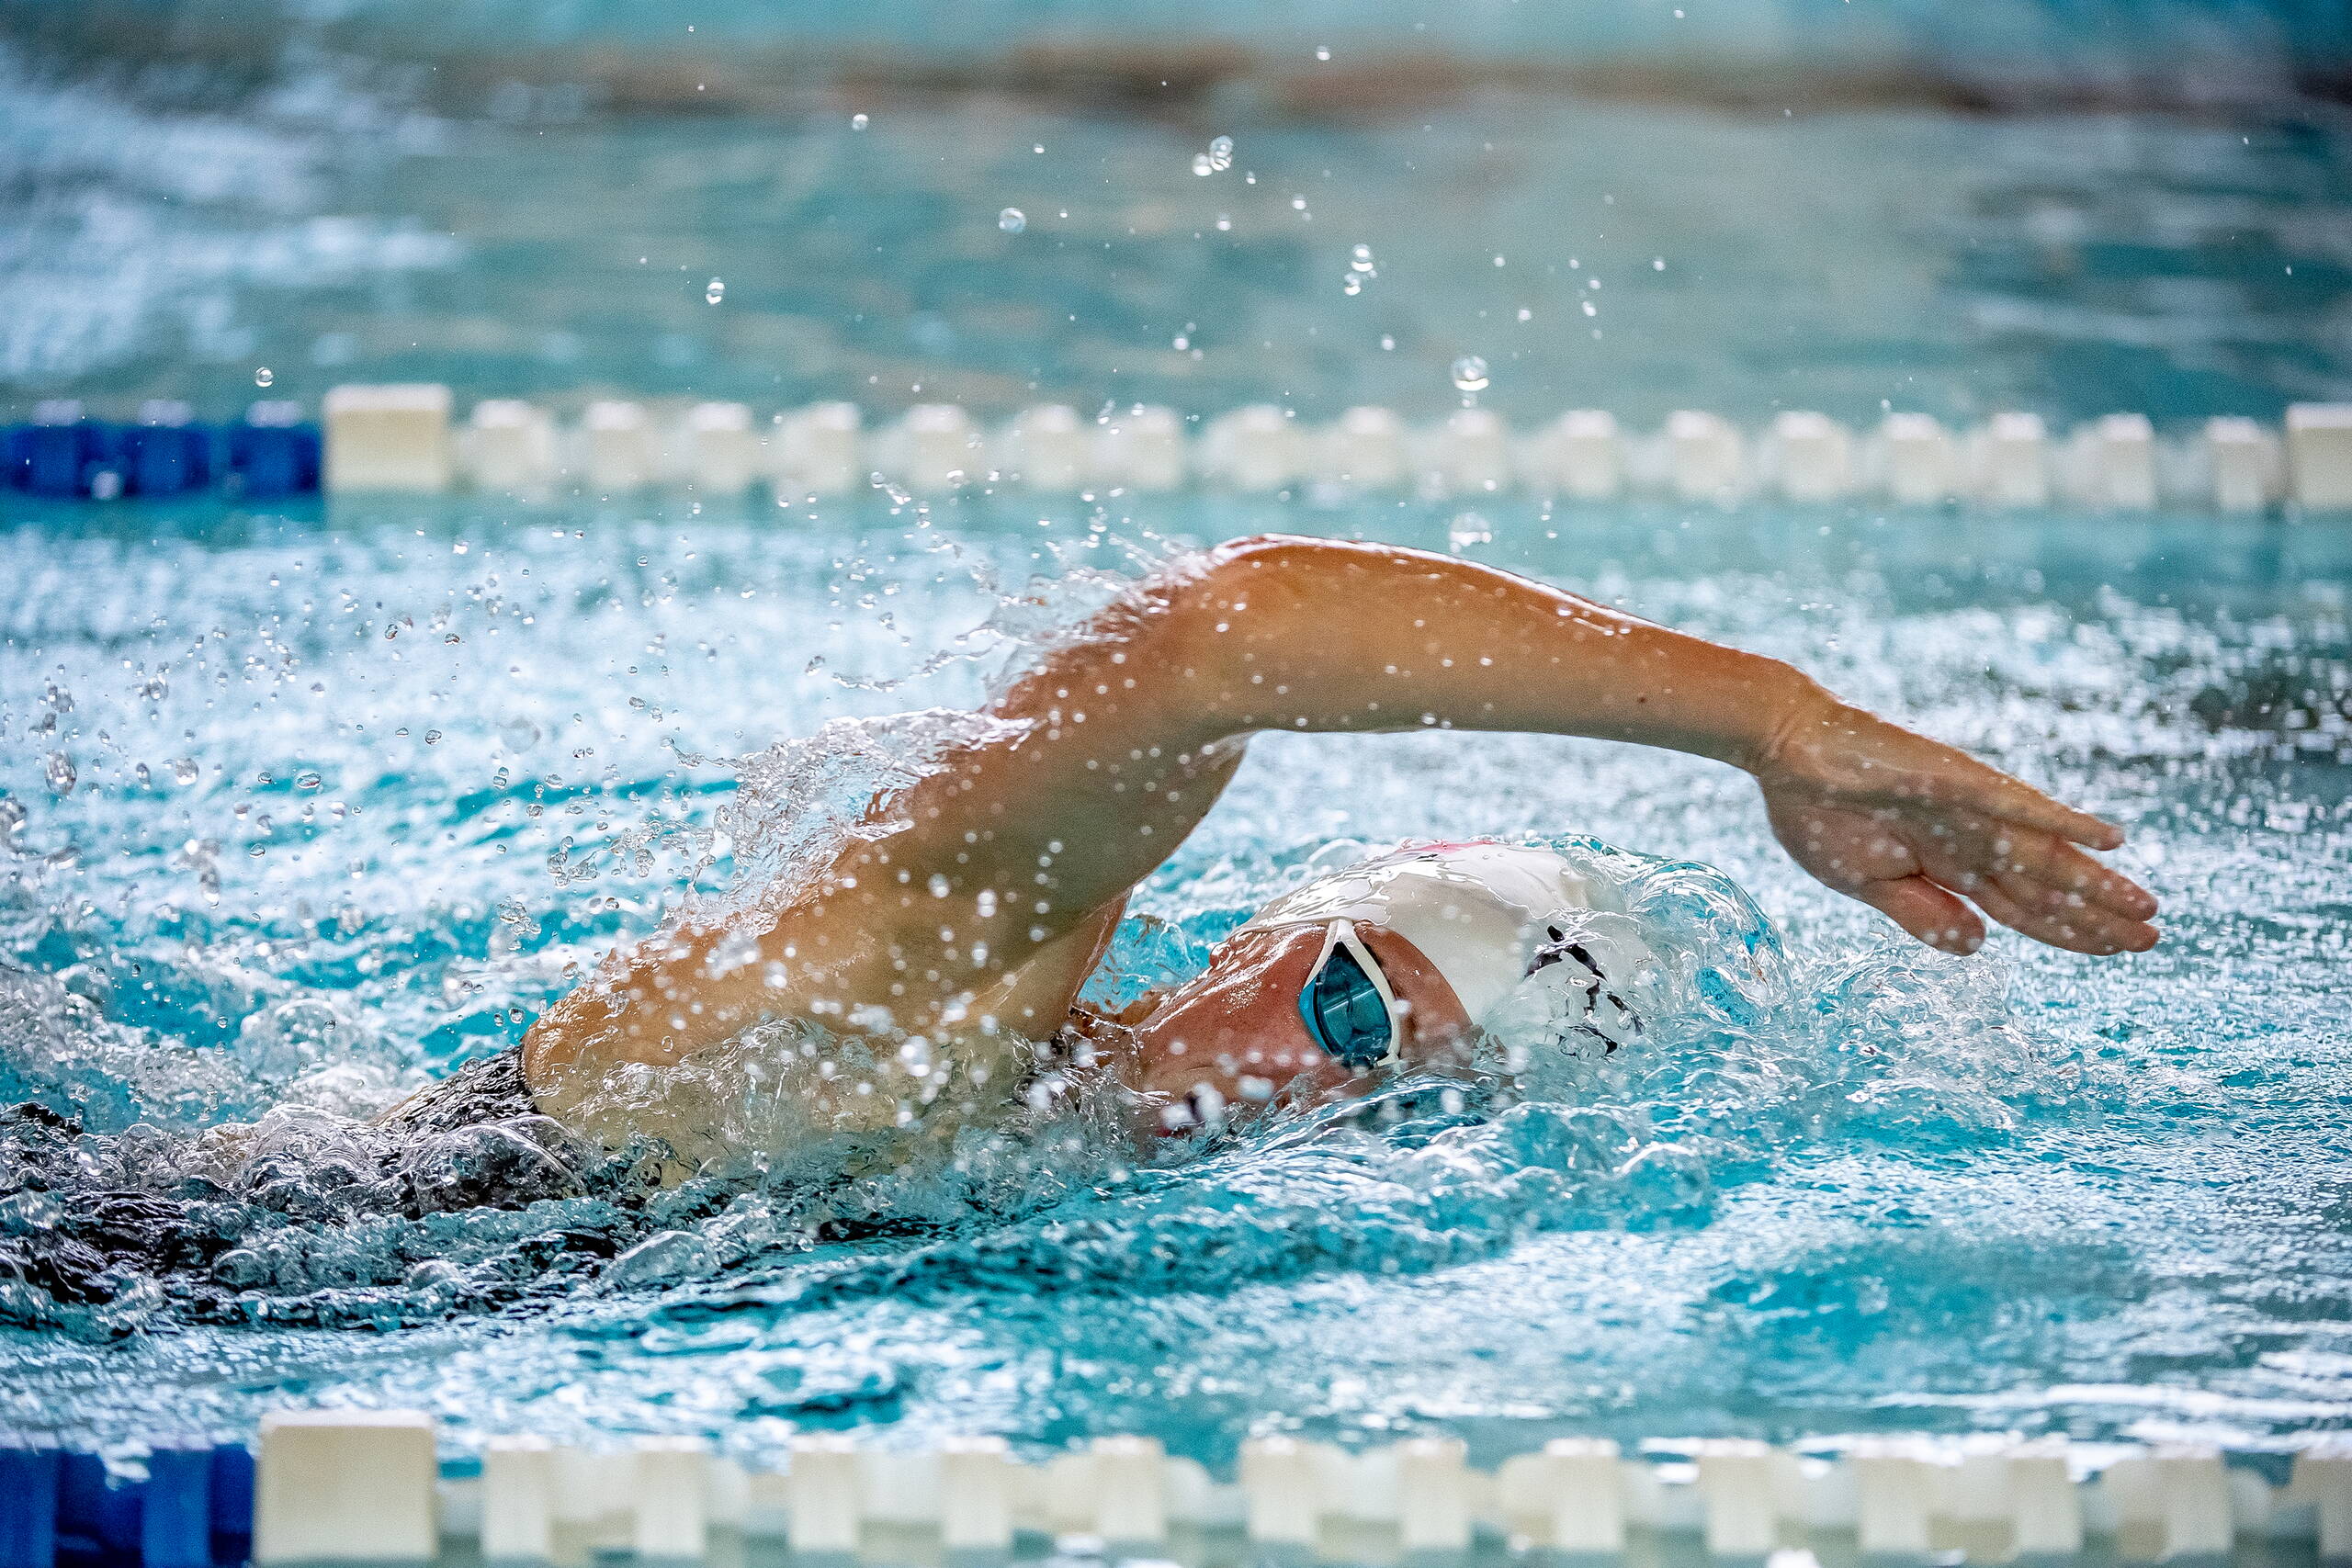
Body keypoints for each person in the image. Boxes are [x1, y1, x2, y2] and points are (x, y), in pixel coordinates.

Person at [381, 536, 2159, 1159]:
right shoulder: (949, 989)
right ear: (1258, 937)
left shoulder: (1043, 1182)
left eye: (1410, 1101)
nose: (1310, 1095)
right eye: (1346, 1011)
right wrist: (1767, 719)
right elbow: (1227, 634)